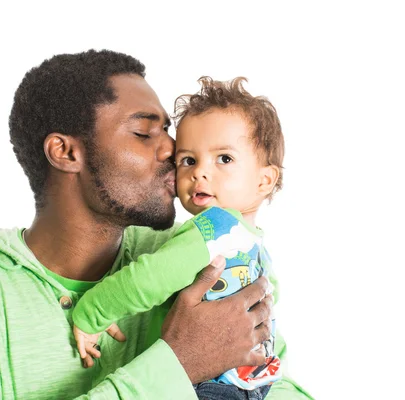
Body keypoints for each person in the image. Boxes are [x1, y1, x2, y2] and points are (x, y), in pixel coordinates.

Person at [0, 49, 312, 399]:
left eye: (168, 132)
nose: (173, 151)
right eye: (144, 133)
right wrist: (178, 363)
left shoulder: (189, 254)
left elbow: (278, 382)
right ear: (66, 152)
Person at [71, 76, 285, 400]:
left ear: (265, 180)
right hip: (252, 381)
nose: (199, 172)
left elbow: (149, 278)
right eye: (188, 160)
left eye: (223, 159)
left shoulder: (214, 228)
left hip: (215, 385)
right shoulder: (248, 238)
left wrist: (91, 314)